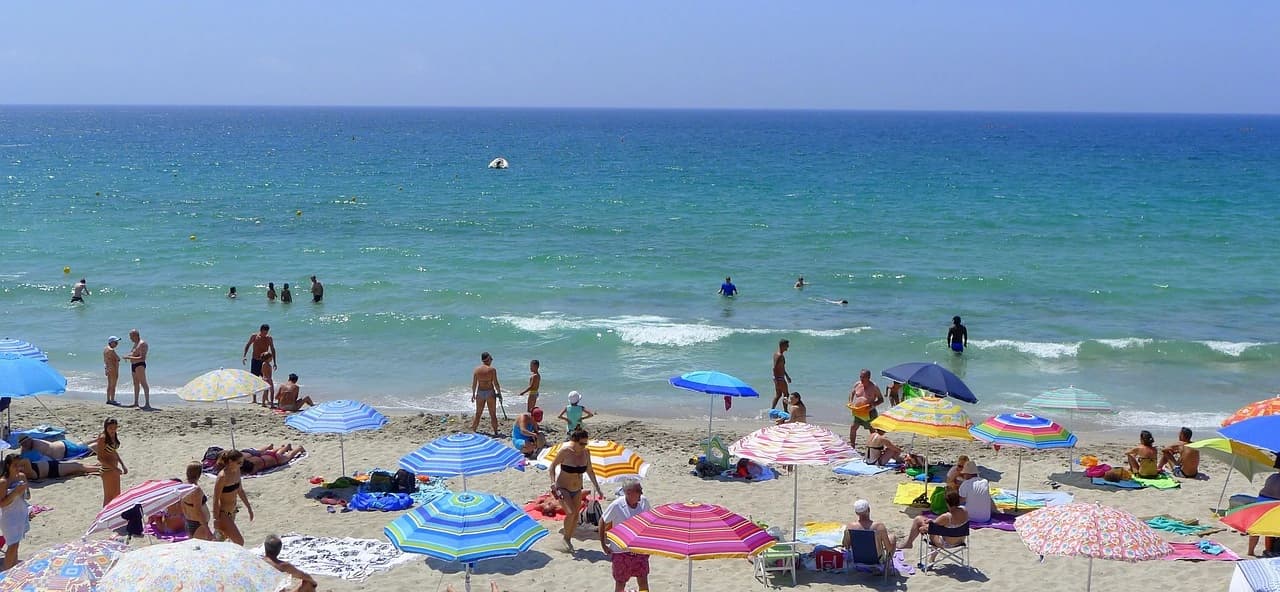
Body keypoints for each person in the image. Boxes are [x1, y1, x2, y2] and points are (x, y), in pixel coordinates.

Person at [548, 428, 603, 552]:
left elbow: (590, 470)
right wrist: (552, 483)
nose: (584, 446)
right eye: (581, 443)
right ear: (574, 441)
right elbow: (552, 467)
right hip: (562, 487)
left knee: (575, 515)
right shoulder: (565, 452)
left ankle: (568, 540)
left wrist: (598, 489)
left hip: (577, 489)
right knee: (570, 512)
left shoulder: (586, 452)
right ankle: (565, 539)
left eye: (585, 443)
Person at [601, 479, 652, 592]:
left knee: (643, 580)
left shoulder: (644, 502)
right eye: (639, 490)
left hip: (640, 550)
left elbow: (649, 522)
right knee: (621, 583)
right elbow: (602, 521)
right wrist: (603, 544)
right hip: (621, 551)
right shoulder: (617, 506)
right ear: (629, 492)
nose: (642, 493)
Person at [900, 490, 968, 549]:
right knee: (938, 528)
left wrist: (923, 527)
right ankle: (932, 558)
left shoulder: (947, 517)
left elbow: (930, 528)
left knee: (918, 520)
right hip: (960, 541)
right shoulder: (964, 510)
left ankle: (909, 543)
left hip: (945, 544)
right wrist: (932, 522)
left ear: (947, 503)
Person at [212, 449, 254, 545]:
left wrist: (249, 507)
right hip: (223, 513)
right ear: (230, 462)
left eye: (242, 462)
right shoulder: (222, 477)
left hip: (233, 511)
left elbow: (240, 490)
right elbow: (216, 499)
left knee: (222, 539)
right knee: (239, 541)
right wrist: (216, 519)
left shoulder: (237, 471)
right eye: (239, 463)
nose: (241, 465)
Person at [0, 454, 31, 570]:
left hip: (20, 513)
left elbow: (27, 496)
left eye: (19, 465)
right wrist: (15, 493)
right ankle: (6, 571)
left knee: (16, 544)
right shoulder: (3, 482)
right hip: (8, 517)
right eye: (15, 465)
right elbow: (1, 504)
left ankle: (13, 569)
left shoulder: (22, 477)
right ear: (8, 466)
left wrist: (25, 490)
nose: (18, 468)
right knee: (12, 545)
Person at [847, 370, 884, 449]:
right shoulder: (857, 384)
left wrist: (873, 405)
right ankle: (852, 446)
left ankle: (875, 447)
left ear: (869, 377)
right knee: (853, 427)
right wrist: (850, 401)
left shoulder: (874, 387)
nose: (861, 379)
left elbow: (881, 399)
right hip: (858, 411)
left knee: (872, 431)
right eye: (860, 377)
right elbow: (852, 393)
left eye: (864, 377)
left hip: (870, 412)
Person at [469, 352, 502, 435]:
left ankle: (474, 430)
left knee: (478, 413)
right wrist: (499, 393)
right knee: (493, 414)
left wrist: (473, 394)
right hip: (490, 392)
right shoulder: (492, 370)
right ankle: (495, 432)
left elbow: (474, 384)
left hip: (480, 392)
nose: (491, 360)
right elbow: (496, 384)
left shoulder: (477, 370)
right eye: (491, 358)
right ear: (488, 359)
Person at [96, 418, 126, 506]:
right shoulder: (103, 438)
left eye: (115, 428)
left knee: (117, 495)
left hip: (114, 469)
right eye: (110, 428)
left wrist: (122, 464)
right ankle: (104, 518)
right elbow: (100, 458)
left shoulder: (113, 435)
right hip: (107, 469)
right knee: (109, 497)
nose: (113, 430)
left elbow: (113, 451)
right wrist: (115, 468)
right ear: (106, 427)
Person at [181, 462, 213, 540]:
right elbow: (198, 511)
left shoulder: (183, 485)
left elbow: (182, 504)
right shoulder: (196, 490)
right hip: (199, 524)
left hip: (189, 521)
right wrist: (207, 529)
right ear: (198, 474)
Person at [122, 329, 150, 409]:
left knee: (143, 383)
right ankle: (136, 403)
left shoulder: (142, 344)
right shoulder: (135, 344)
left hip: (139, 365)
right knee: (135, 383)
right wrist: (128, 356)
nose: (130, 338)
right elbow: (134, 353)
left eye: (131, 336)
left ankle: (147, 403)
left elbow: (142, 358)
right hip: (133, 365)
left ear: (135, 335)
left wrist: (129, 357)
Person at [239, 444, 305, 475]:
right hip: (265, 455)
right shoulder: (249, 459)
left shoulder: (253, 469)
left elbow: (249, 473)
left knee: (288, 457)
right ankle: (285, 448)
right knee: (277, 453)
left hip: (275, 460)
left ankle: (299, 448)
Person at [17, 435, 92, 461]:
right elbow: (22, 456)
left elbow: (48, 460)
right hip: (62, 445)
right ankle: (95, 439)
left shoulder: (38, 445)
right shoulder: (25, 446)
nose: (25, 445)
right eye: (23, 444)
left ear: (30, 440)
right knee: (79, 446)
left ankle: (99, 443)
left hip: (66, 450)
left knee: (87, 449)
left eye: (25, 443)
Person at [771, 339, 791, 411]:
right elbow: (774, 367)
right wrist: (776, 379)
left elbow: (781, 367)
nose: (788, 347)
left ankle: (772, 410)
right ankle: (785, 411)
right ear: (782, 345)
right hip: (779, 378)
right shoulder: (779, 356)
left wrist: (787, 376)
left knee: (778, 395)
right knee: (786, 394)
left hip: (779, 377)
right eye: (787, 345)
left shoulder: (777, 354)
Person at [103, 336, 122, 405]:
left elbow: (105, 360)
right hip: (113, 369)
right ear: (111, 342)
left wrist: (105, 369)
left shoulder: (105, 349)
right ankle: (112, 400)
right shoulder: (111, 350)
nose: (117, 344)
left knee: (109, 385)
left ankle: (108, 399)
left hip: (108, 368)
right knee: (113, 385)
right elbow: (118, 358)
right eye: (115, 342)